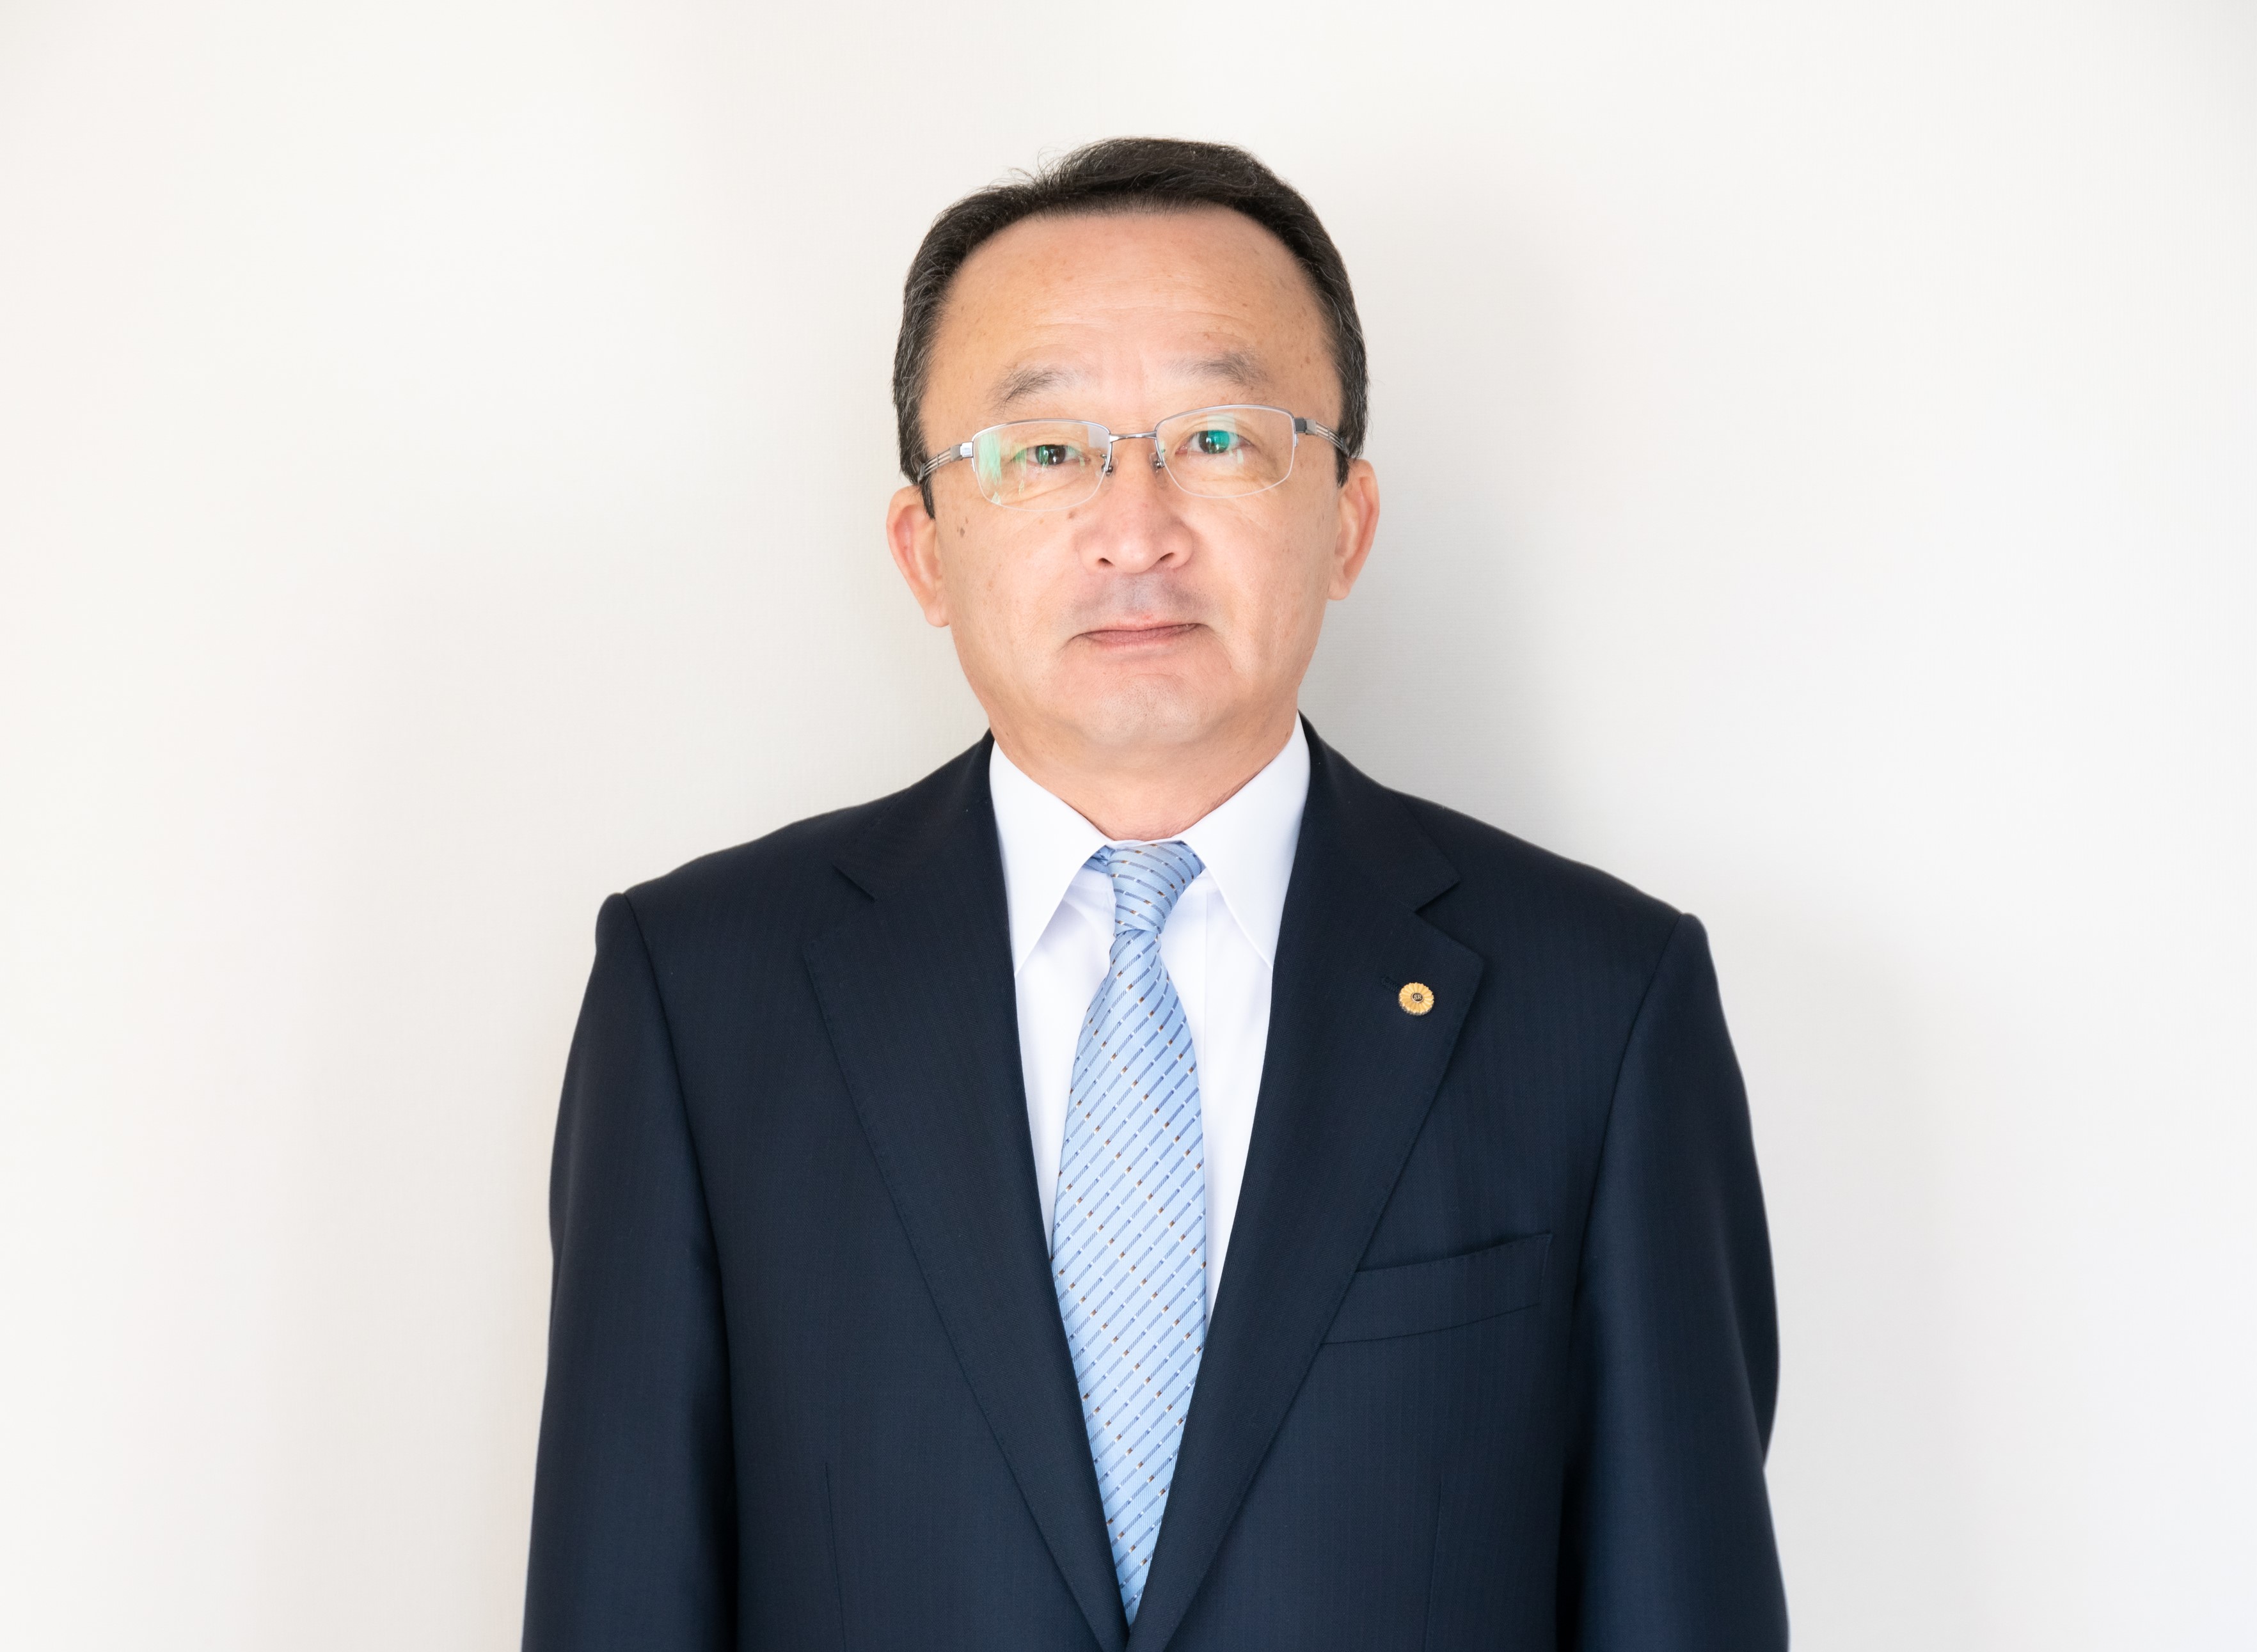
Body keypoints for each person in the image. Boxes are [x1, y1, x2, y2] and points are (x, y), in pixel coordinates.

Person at [521, 137, 1787, 1652]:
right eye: (1045, 451)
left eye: (1220, 435)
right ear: (925, 549)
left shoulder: (1599, 1002)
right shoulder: (700, 997)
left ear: (1348, 519)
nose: (1136, 529)